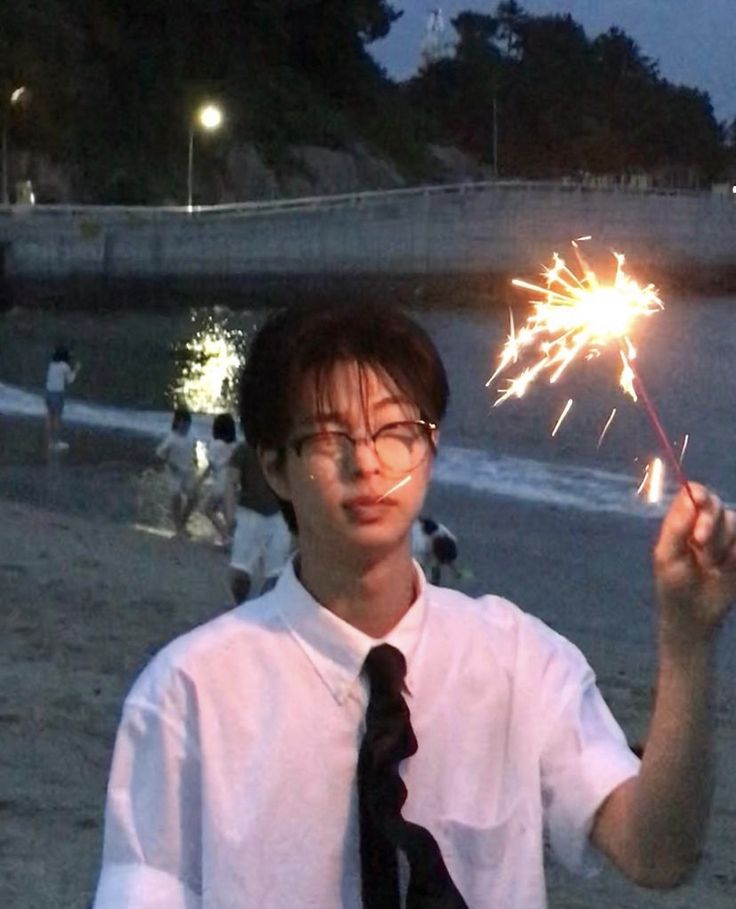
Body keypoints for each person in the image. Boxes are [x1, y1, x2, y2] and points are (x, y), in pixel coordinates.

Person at [93, 300, 736, 909]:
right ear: (276, 468)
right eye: (325, 436)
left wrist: (688, 642)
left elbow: (658, 854)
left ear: (430, 450)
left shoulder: (518, 663)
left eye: (396, 430)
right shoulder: (188, 694)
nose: (366, 462)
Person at [224, 432, 292, 603]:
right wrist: (230, 515)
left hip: (279, 515)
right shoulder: (243, 449)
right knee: (240, 573)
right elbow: (231, 483)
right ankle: (241, 606)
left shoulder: (284, 450)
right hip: (249, 514)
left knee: (276, 573)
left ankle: (263, 610)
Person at [196, 412, 237, 546]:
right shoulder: (234, 445)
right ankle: (232, 537)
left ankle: (226, 535)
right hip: (232, 484)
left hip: (220, 482)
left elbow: (212, 465)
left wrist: (200, 480)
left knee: (207, 508)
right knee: (228, 513)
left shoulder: (215, 444)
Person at [155, 406, 197, 536]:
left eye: (187, 423)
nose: (185, 426)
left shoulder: (191, 434)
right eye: (183, 423)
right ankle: (178, 526)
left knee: (193, 498)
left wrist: (195, 460)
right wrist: (170, 464)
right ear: (177, 423)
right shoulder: (171, 438)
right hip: (175, 472)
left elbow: (193, 449)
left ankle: (182, 523)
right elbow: (160, 453)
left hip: (188, 471)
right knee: (176, 497)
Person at [44, 344, 80, 451]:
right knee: (57, 418)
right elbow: (70, 380)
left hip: (48, 392)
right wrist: (76, 369)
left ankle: (49, 442)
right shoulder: (65, 366)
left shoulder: (51, 364)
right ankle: (56, 442)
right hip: (58, 394)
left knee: (49, 417)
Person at [412, 515, 461, 584]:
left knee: (434, 570)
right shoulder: (420, 546)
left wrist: (455, 570)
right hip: (411, 539)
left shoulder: (449, 537)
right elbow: (418, 566)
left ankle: (434, 584)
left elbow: (447, 556)